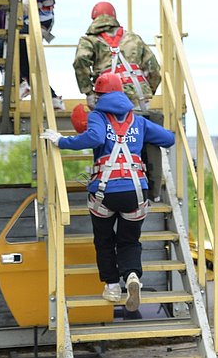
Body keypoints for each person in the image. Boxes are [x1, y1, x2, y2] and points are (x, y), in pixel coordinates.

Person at [40, 72, 176, 308]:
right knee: (130, 241)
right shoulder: (139, 121)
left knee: (104, 241)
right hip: (136, 192)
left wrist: (61, 141)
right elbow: (168, 138)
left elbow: (94, 137)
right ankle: (132, 276)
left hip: (105, 192)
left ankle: (113, 287)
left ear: (100, 94)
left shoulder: (98, 117)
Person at [0, 0, 64, 109]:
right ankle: (50, 97)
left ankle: (25, 86)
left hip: (39, 17)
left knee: (16, 47)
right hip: (25, 18)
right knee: (10, 50)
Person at [73, 2, 161, 112]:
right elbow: (154, 67)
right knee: (138, 127)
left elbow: (80, 60)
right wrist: (147, 90)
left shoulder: (89, 41)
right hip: (139, 99)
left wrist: (89, 92)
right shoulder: (134, 38)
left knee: (113, 128)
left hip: (109, 98)